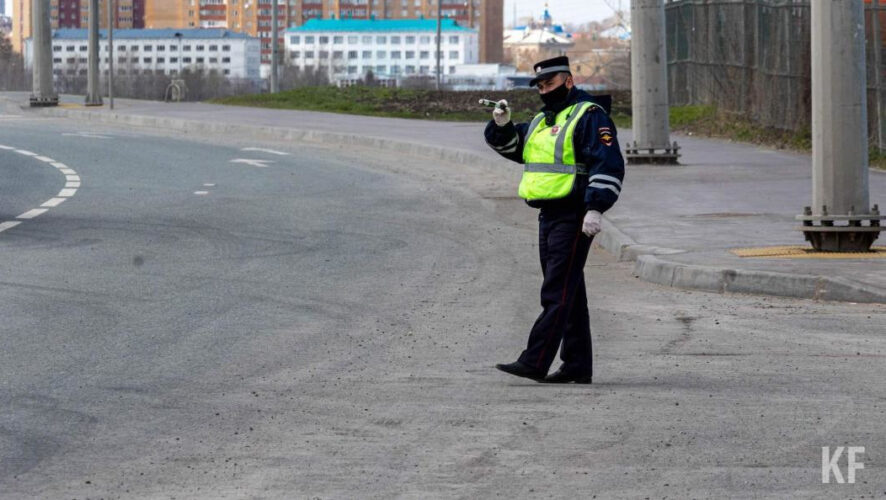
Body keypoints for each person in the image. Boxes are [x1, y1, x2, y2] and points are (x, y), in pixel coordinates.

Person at [485, 56, 625, 384]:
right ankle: (577, 364)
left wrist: (595, 208)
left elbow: (608, 163)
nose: (545, 90)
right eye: (541, 86)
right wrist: (501, 125)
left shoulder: (589, 116)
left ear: (569, 81)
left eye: (550, 84)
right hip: (548, 214)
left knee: (556, 291)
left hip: (575, 213)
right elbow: (517, 148)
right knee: (569, 291)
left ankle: (535, 361)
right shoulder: (543, 120)